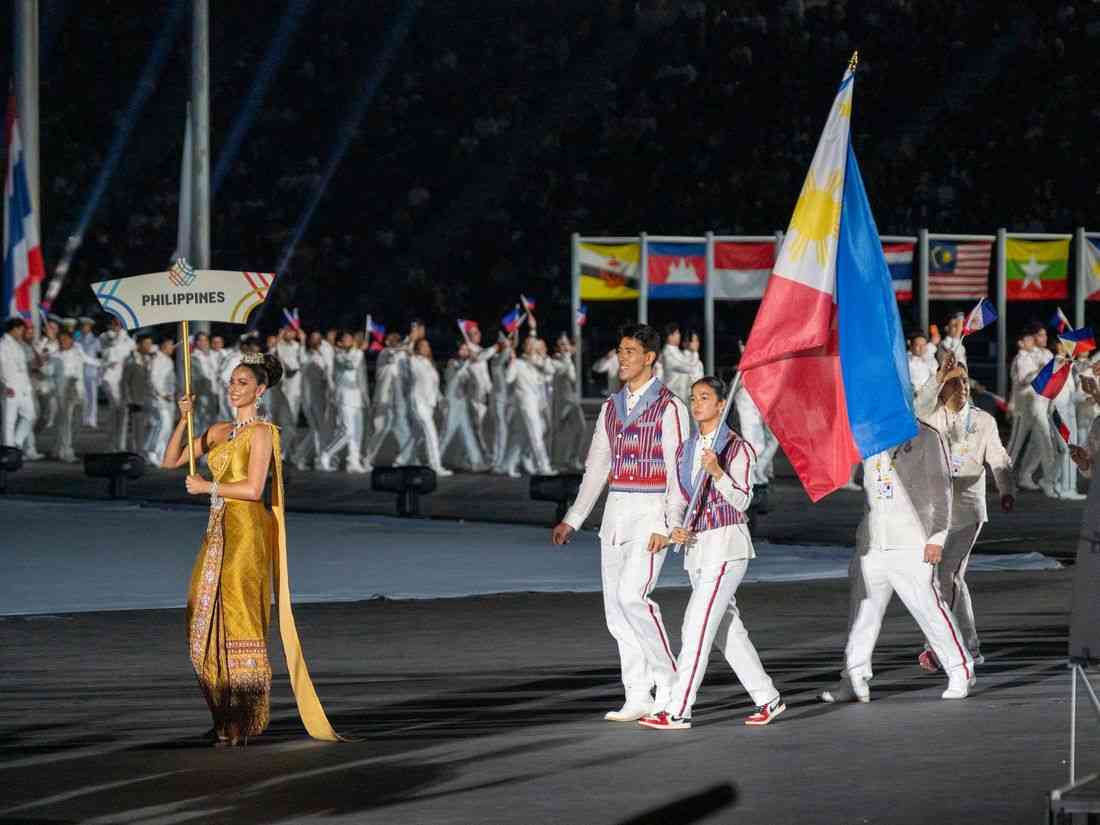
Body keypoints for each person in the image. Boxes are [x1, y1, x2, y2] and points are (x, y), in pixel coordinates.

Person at [161, 352, 339, 745]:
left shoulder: (263, 433)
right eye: (231, 381)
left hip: (247, 532)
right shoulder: (220, 430)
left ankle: (244, 717)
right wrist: (183, 418)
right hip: (218, 532)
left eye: (242, 383)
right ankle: (223, 713)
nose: (234, 388)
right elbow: (170, 461)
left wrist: (208, 487)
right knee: (202, 619)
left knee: (240, 620)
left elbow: (254, 490)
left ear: (260, 390)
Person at [552, 324, 690, 722]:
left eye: (630, 351)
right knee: (616, 611)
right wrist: (573, 519)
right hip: (615, 516)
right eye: (620, 350)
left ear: (650, 358)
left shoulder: (671, 407)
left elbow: (678, 471)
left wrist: (670, 523)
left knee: (633, 597)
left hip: (652, 516)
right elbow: (596, 467)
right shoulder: (611, 407)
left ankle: (670, 685)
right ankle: (637, 693)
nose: (622, 357)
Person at [639, 376, 784, 730]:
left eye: (705, 397)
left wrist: (717, 472)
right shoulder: (685, 450)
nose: (697, 403)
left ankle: (678, 708)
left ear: (722, 404)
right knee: (725, 629)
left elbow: (743, 500)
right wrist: (675, 525)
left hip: (726, 545)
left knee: (696, 626)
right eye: (694, 397)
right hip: (695, 548)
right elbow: (675, 498)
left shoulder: (737, 448)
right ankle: (768, 697)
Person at [820, 421, 975, 703]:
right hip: (873, 542)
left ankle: (960, 669)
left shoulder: (925, 435)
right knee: (862, 615)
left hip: (912, 541)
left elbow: (942, 489)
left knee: (928, 609)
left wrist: (937, 537)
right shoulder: (864, 433)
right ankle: (853, 679)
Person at [915, 357, 1014, 669]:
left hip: (968, 508)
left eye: (965, 381)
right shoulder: (932, 417)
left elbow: (997, 456)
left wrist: (1006, 489)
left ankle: (941, 646)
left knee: (949, 575)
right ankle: (969, 645)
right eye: (955, 382)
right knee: (944, 579)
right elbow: (915, 409)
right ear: (943, 389)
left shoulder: (982, 420)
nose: (963, 387)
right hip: (934, 509)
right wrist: (936, 378)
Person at [501, 335, 555, 477]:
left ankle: (510, 464)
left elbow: (551, 372)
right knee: (536, 434)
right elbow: (508, 379)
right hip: (525, 403)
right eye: (529, 344)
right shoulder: (518, 363)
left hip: (537, 404)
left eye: (534, 345)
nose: (532, 347)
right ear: (524, 347)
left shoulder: (538, 362)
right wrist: (511, 363)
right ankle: (544, 466)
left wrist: (544, 356)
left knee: (521, 435)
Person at [319, 331, 370, 473]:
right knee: (347, 431)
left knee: (357, 432)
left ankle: (353, 462)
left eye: (351, 338)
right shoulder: (338, 355)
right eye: (348, 339)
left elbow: (360, 376)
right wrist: (359, 350)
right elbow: (350, 365)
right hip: (344, 398)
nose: (351, 340)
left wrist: (365, 396)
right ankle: (326, 454)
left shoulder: (355, 353)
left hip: (357, 398)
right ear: (339, 343)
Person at [363, 331, 415, 468]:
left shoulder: (402, 355)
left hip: (398, 399)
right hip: (383, 398)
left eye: (398, 339)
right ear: (386, 342)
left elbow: (407, 373)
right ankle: (368, 458)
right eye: (393, 339)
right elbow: (393, 354)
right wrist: (407, 341)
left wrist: (409, 351)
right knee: (380, 429)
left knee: (402, 428)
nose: (396, 340)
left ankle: (405, 457)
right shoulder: (385, 353)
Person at [52, 329, 101, 462]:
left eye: (65, 339)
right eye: (60, 340)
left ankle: (59, 448)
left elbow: (92, 361)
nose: (63, 342)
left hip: (79, 392)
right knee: (65, 422)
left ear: (71, 340)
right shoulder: (55, 356)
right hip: (63, 392)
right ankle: (66, 451)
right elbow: (47, 372)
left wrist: (107, 363)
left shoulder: (78, 352)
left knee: (77, 422)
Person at [440, 340, 488, 471]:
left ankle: (476, 461)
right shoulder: (452, 363)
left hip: (463, 402)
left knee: (468, 432)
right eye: (463, 350)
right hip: (452, 401)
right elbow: (452, 379)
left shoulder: (468, 366)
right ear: (457, 352)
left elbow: (475, 383)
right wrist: (468, 363)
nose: (466, 352)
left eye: (467, 350)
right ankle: (435, 460)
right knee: (447, 432)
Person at [407, 336, 452, 476]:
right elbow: (408, 352)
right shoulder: (413, 361)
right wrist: (412, 339)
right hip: (418, 401)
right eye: (422, 346)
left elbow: (434, 386)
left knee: (417, 435)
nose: (426, 348)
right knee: (431, 433)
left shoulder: (430, 363)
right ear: (417, 348)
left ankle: (402, 459)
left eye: (427, 345)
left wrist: (441, 399)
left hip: (430, 403)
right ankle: (435, 465)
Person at [292, 331, 333, 471]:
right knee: (317, 430)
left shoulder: (323, 355)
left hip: (321, 397)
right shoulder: (306, 355)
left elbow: (328, 373)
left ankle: (300, 458)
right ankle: (318, 460)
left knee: (318, 430)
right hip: (308, 398)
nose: (315, 341)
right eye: (313, 338)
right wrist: (303, 340)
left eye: (318, 338)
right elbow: (302, 361)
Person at [0, 318, 39, 456]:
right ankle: (8, 449)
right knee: (8, 421)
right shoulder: (3, 345)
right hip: (9, 388)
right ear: (15, 329)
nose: (22, 332)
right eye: (21, 329)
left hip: (23, 389)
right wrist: (3, 385)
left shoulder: (19, 345)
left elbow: (24, 367)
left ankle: (16, 442)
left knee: (31, 415)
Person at [549, 333, 585, 472]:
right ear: (557, 348)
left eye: (566, 344)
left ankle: (572, 459)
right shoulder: (555, 361)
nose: (565, 347)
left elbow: (574, 379)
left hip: (572, 401)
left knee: (581, 428)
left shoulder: (570, 359)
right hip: (560, 401)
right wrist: (569, 356)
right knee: (559, 431)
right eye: (562, 345)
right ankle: (555, 462)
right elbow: (568, 374)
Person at [99, 317, 135, 451]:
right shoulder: (105, 337)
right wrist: (117, 337)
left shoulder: (129, 340)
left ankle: (121, 445)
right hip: (110, 378)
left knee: (124, 413)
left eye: (119, 323)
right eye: (114, 323)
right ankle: (110, 445)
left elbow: (133, 354)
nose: (117, 326)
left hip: (124, 380)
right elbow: (106, 353)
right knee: (114, 410)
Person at [271, 326, 305, 459]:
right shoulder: (279, 346)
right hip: (282, 389)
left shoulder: (297, 346)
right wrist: (278, 338)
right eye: (287, 331)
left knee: (293, 422)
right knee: (283, 423)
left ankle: (289, 453)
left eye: (292, 332)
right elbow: (271, 353)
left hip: (296, 389)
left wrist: (303, 341)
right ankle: (281, 453)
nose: (289, 334)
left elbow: (302, 359)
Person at [144, 337, 177, 466]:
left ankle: (159, 454)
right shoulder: (157, 359)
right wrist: (162, 394)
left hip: (168, 399)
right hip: (159, 399)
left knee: (165, 427)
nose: (172, 348)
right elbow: (153, 379)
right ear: (164, 345)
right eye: (170, 345)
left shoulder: (167, 359)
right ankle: (152, 452)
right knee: (163, 424)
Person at [122, 335, 154, 454]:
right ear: (138, 345)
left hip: (149, 399)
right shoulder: (131, 360)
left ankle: (144, 452)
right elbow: (125, 382)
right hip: (136, 400)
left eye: (150, 344)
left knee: (148, 427)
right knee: (137, 429)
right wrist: (129, 400)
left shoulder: (150, 359)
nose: (149, 347)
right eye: (146, 344)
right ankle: (136, 453)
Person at [660, 323, 697, 403]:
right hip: (672, 397)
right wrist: (694, 352)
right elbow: (688, 368)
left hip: (681, 397)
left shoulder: (677, 351)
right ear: (670, 336)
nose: (679, 335)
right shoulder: (667, 353)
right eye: (677, 333)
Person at [77, 317, 102, 428]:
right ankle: (84, 419)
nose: (84, 327)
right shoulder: (78, 340)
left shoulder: (95, 341)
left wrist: (100, 374)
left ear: (90, 327)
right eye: (82, 325)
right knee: (83, 397)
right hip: (81, 373)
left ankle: (92, 419)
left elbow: (100, 358)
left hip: (92, 372)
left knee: (92, 397)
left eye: (86, 326)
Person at [907, 330, 933, 397]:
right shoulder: (906, 360)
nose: (921, 348)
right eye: (918, 345)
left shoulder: (929, 360)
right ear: (910, 344)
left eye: (924, 345)